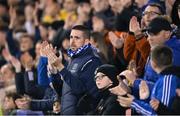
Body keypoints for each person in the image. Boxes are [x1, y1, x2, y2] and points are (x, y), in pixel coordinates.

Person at [42, 25, 102, 114]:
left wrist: (60, 66)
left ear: (86, 42)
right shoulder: (73, 59)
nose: (72, 42)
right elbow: (62, 91)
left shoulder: (92, 61)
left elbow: (80, 89)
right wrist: (54, 71)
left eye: (77, 38)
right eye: (71, 37)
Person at [116, 45, 180, 115]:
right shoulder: (163, 79)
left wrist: (135, 104)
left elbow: (160, 114)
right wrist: (140, 98)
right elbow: (154, 109)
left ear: (153, 63)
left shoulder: (167, 80)